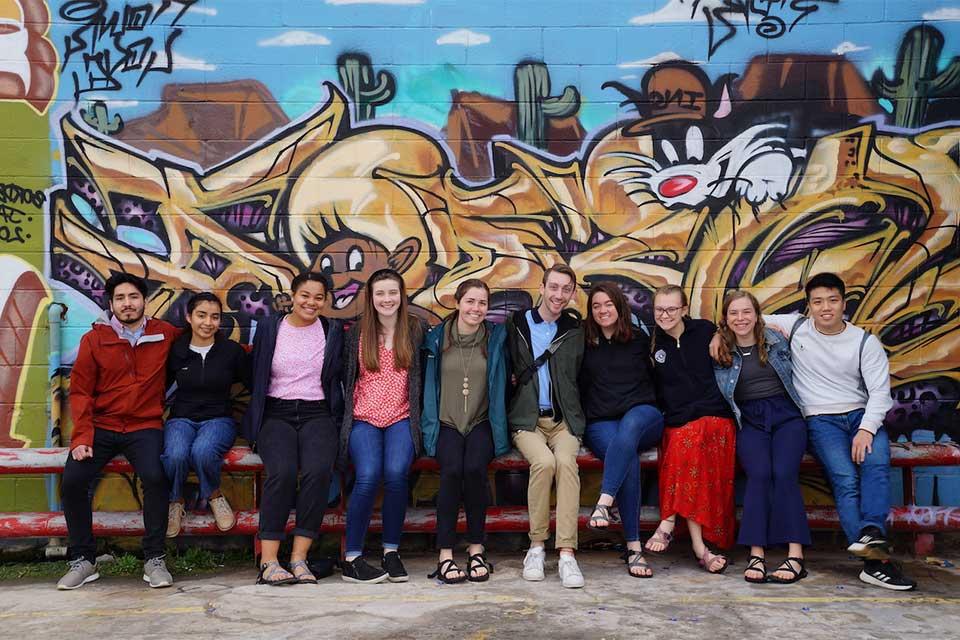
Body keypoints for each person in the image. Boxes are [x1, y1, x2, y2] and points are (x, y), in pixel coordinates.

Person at [761, 273, 916, 590]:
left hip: (860, 415)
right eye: (817, 302)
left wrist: (866, 430)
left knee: (875, 467)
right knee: (845, 478)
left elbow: (879, 393)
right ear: (808, 306)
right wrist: (717, 335)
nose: (825, 308)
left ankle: (871, 538)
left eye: (832, 300)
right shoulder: (797, 327)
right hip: (820, 419)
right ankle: (876, 562)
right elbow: (746, 315)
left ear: (844, 303)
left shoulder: (864, 342)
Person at [58, 273, 180, 590]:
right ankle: (84, 560)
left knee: (155, 478)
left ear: (144, 300)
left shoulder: (164, 334)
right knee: (72, 481)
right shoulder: (95, 339)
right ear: (112, 304)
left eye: (133, 297)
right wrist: (82, 437)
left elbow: (202, 347)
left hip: (145, 425)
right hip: (102, 426)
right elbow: (81, 391)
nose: (128, 304)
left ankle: (154, 558)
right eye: (121, 298)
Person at [243, 271, 344, 586]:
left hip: (317, 412)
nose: (311, 303)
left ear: (325, 300)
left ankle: (299, 558)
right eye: (305, 295)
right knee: (283, 472)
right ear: (293, 295)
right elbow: (256, 372)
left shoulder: (332, 329)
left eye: (318, 297)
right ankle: (269, 561)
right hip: (277, 412)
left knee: (318, 472)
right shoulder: (271, 327)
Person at [714, 290, 811, 584]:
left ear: (757, 314)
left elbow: (804, 320)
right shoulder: (721, 350)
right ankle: (757, 553)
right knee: (758, 474)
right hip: (751, 420)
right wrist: (717, 336)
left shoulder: (776, 338)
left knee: (784, 473)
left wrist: (766, 321)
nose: (740, 318)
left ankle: (795, 555)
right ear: (725, 319)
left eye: (747, 312)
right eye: (733, 313)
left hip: (787, 416)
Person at [422, 279, 509, 583]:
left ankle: (476, 549)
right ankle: (445, 555)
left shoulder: (496, 338)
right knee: (450, 472)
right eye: (470, 301)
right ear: (457, 303)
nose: (476, 308)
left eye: (482, 302)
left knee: (474, 469)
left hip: (481, 422)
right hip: (446, 423)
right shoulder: (435, 339)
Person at [341, 269, 425, 584]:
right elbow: (345, 378)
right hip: (364, 417)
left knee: (395, 474)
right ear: (371, 297)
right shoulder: (356, 335)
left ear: (402, 296)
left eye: (393, 293)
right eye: (380, 293)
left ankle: (391, 551)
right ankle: (353, 557)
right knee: (367, 476)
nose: (387, 299)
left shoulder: (415, 330)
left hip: (402, 417)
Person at [506, 264, 587, 589]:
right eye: (553, 287)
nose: (558, 295)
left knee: (567, 463)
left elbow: (584, 374)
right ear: (541, 288)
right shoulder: (516, 324)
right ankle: (537, 547)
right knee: (544, 463)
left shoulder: (576, 328)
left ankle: (567, 553)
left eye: (565, 289)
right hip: (527, 420)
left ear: (571, 293)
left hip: (564, 420)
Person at [646, 284, 736, 574]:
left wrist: (721, 334)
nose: (665, 315)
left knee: (691, 445)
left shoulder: (705, 331)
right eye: (659, 309)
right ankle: (701, 547)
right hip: (679, 423)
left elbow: (752, 322)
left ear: (684, 309)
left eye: (672, 308)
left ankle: (669, 520)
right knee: (686, 444)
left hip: (715, 420)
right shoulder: (651, 343)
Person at [578, 282, 664, 578]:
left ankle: (603, 502)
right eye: (596, 306)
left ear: (619, 306)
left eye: (608, 304)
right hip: (601, 422)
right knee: (627, 458)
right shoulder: (584, 342)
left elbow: (685, 327)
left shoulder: (641, 339)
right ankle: (634, 547)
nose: (603, 310)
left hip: (644, 415)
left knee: (630, 428)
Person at [164, 292, 249, 537]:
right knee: (175, 455)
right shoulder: (177, 351)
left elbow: (255, 383)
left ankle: (214, 494)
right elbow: (158, 385)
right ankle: (175, 501)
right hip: (181, 418)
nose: (208, 322)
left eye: (214, 317)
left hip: (219, 418)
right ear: (189, 317)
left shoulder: (231, 351)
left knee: (202, 452)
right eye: (201, 315)